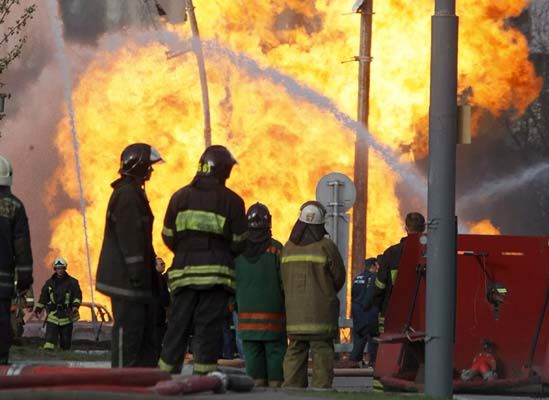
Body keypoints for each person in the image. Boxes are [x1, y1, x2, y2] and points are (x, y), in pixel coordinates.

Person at [158, 145, 247, 375]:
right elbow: (239, 241)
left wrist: (186, 251)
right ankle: (203, 378)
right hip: (215, 277)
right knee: (207, 328)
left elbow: (168, 235)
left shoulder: (179, 197)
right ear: (223, 171)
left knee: (177, 325)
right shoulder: (233, 201)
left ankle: (164, 375)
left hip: (183, 274)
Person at [96, 143, 164, 367]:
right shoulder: (127, 196)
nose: (152, 171)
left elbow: (142, 239)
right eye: (150, 166)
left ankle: (142, 384)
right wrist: (138, 277)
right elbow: (131, 240)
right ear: (140, 166)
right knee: (129, 337)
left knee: (145, 338)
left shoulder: (132, 193)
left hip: (136, 284)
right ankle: (123, 383)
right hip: (128, 284)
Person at [281, 201, 345, 390]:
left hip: (294, 314)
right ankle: (321, 392)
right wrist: (325, 291)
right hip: (321, 314)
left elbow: (283, 279)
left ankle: (291, 392)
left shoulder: (288, 247)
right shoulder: (326, 246)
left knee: (295, 351)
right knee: (322, 351)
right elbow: (339, 277)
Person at [235, 203, 286, 388]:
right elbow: (284, 281)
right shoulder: (276, 249)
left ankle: (257, 392)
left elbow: (230, 282)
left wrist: (233, 305)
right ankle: (275, 391)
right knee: (275, 353)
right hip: (274, 316)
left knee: (252, 356)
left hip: (246, 316)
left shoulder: (237, 251)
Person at [0, 156, 33, 364]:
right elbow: (22, 248)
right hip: (2, 283)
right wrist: (24, 280)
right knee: (2, 324)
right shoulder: (15, 206)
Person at [373, 212, 425, 332]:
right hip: (425, 316)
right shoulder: (433, 252)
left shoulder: (391, 253)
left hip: (394, 314)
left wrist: (379, 306)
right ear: (423, 229)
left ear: (406, 228)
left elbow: (380, 285)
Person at [34, 257, 82, 350]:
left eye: (61, 268)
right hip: (53, 315)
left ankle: (64, 354)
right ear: (55, 269)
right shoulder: (49, 283)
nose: (60, 270)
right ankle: (49, 354)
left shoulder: (72, 282)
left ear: (65, 268)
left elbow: (78, 296)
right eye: (58, 268)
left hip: (67, 316)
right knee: (50, 340)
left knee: (66, 341)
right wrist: (38, 309)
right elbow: (44, 297)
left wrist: (75, 306)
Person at [350, 257, 379, 367]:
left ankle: (355, 360)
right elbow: (371, 295)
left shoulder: (357, 277)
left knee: (359, 336)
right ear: (373, 265)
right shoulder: (373, 277)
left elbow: (353, 294)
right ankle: (373, 361)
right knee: (373, 337)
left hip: (357, 311)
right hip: (369, 311)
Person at [155, 257, 170, 356]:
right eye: (161, 264)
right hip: (157, 314)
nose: (163, 265)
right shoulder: (158, 279)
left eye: (164, 263)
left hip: (159, 314)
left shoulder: (161, 278)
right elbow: (164, 298)